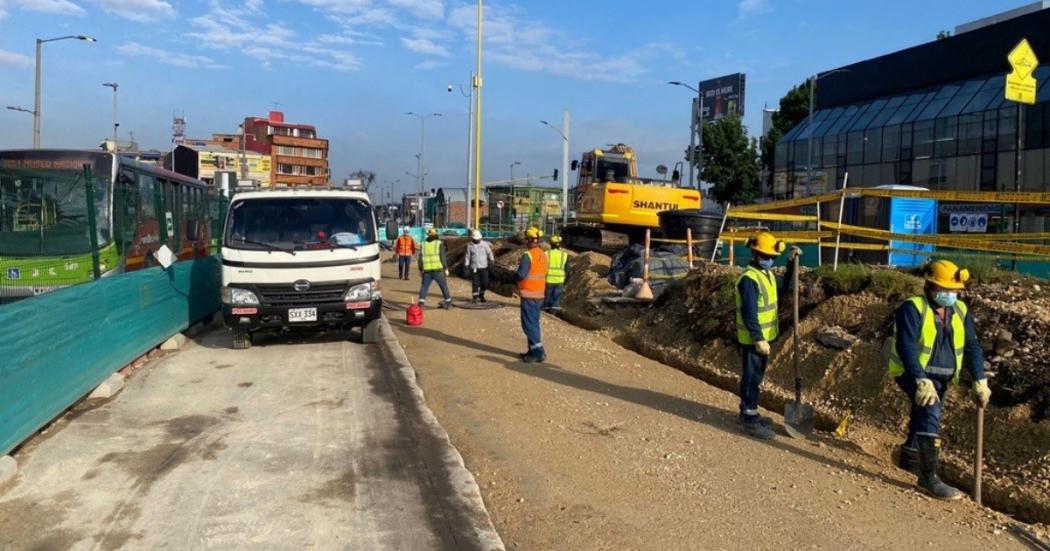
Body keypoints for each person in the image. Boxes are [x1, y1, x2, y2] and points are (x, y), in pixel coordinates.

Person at [887, 259, 990, 500]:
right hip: (913, 373)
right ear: (930, 287)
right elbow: (906, 346)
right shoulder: (912, 308)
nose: (950, 294)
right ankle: (928, 477)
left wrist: (979, 379)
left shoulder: (960, 310)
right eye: (945, 290)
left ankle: (910, 456)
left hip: (943, 377)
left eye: (954, 290)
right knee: (930, 411)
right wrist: (921, 380)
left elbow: (972, 345)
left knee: (923, 414)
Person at [734, 231, 799, 440]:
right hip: (754, 339)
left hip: (764, 337)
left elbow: (784, 287)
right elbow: (748, 312)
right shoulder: (749, 279)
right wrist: (757, 338)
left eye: (772, 257)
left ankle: (749, 410)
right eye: (765, 256)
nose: (769, 260)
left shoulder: (767, 274)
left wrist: (790, 264)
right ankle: (749, 418)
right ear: (754, 254)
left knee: (757, 376)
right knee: (752, 377)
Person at [516, 227, 548, 363]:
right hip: (539, 294)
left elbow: (521, 274)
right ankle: (532, 349)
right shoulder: (543, 254)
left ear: (529, 240)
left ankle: (538, 352)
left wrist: (513, 278)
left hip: (529, 294)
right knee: (534, 323)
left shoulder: (528, 255)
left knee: (528, 324)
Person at [418, 228, 452, 309]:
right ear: (436, 235)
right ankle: (448, 303)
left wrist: (420, 269)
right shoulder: (439, 243)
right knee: (443, 286)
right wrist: (445, 268)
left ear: (428, 235)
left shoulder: (423, 244)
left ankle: (421, 304)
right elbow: (442, 257)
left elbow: (420, 258)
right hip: (438, 270)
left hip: (426, 271)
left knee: (424, 287)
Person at [466, 230, 495, 303]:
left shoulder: (484, 244)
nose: (477, 240)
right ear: (472, 239)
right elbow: (467, 256)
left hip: (484, 267)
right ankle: (475, 297)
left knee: (485, 282)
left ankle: (481, 295)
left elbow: (489, 253)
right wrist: (466, 265)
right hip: (474, 267)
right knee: (475, 283)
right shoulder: (469, 246)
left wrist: (492, 260)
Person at [543, 235, 568, 314]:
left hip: (549, 278)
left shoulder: (546, 253)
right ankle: (554, 311)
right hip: (560, 279)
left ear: (551, 244)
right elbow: (567, 268)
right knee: (556, 296)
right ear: (560, 245)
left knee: (548, 295)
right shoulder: (564, 255)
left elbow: (542, 266)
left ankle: (546, 309)